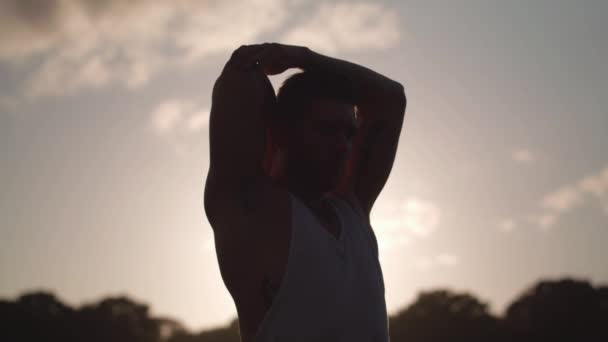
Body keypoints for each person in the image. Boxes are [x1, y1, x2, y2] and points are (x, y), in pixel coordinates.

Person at [204, 42, 406, 342]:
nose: (343, 146)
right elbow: (241, 75)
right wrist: (270, 58)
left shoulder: (353, 209)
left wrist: (304, 58)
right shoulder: (251, 210)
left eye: (349, 133)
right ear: (282, 131)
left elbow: (391, 97)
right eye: (326, 130)